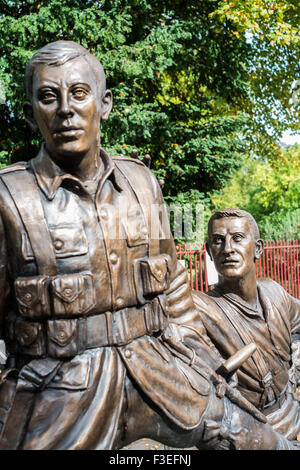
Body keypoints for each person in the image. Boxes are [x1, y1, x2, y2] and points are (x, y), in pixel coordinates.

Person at [0, 41, 297, 450]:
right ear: (32, 114)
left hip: (160, 374)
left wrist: (199, 357)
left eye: (79, 93)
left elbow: (173, 285)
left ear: (103, 105)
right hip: (60, 394)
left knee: (266, 443)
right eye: (49, 97)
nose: (66, 109)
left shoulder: (140, 183)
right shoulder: (9, 199)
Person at [193, 208, 300, 441]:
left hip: (294, 414)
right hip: (249, 433)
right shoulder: (200, 308)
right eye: (218, 241)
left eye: (238, 238)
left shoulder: (274, 292)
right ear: (209, 251)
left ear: (258, 249)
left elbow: (298, 322)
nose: (228, 249)